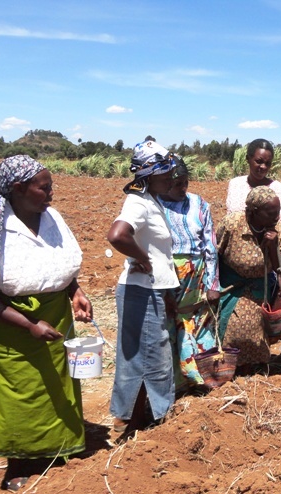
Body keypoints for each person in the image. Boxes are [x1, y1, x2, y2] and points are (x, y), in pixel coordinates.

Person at [0, 155, 92, 491]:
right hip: (11, 328)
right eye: (44, 187)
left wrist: (75, 292)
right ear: (19, 188)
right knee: (19, 396)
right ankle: (18, 464)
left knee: (58, 389)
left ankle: (59, 451)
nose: (51, 193)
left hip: (56, 318)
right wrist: (29, 325)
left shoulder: (53, 219)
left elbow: (64, 267)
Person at [107, 141, 179, 433]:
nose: (171, 178)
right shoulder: (138, 201)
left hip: (152, 290)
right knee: (144, 360)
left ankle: (142, 421)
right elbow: (117, 235)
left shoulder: (151, 200)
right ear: (149, 174)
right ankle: (137, 426)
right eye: (166, 174)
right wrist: (143, 259)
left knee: (148, 357)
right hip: (141, 291)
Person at [158, 157, 221, 393]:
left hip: (197, 276)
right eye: (177, 184)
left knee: (199, 322)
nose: (182, 188)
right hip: (169, 276)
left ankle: (202, 377)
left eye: (185, 182)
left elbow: (210, 247)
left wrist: (212, 283)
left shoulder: (199, 204)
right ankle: (176, 383)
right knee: (171, 326)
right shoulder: (155, 206)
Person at [216, 186, 281, 372]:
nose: (277, 217)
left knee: (258, 333)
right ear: (255, 212)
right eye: (271, 213)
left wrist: (272, 246)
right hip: (231, 286)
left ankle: (254, 367)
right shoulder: (233, 223)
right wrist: (212, 285)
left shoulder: (278, 229)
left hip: (262, 287)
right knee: (234, 329)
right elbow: (214, 253)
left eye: (278, 211)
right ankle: (229, 367)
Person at [226, 139, 281, 233]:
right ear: (248, 159)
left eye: (267, 163)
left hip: (267, 245)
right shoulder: (235, 185)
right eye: (259, 161)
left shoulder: (279, 190)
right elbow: (229, 220)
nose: (263, 167)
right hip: (237, 245)